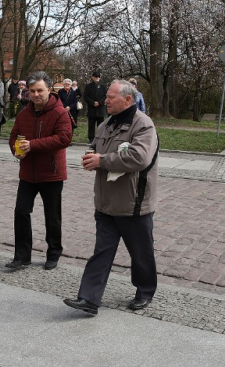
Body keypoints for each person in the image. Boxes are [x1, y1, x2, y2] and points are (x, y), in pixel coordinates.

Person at [64, 79, 159, 315]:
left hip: (133, 204)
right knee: (102, 252)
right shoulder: (105, 125)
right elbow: (96, 149)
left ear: (128, 99)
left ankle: (145, 291)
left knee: (140, 253)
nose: (105, 100)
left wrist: (102, 160)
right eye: (106, 96)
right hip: (106, 203)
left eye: (111, 97)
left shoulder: (143, 125)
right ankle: (88, 299)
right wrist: (91, 158)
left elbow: (140, 158)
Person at [6, 71, 72, 270]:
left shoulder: (60, 112)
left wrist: (33, 145)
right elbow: (14, 136)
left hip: (51, 172)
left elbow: (64, 138)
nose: (36, 94)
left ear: (49, 90)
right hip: (28, 173)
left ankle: (53, 253)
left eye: (40, 90)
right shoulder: (24, 113)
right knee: (21, 211)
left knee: (52, 216)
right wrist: (15, 151)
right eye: (32, 91)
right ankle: (22, 256)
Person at [84, 71, 106, 143]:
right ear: (92, 77)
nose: (97, 78)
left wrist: (99, 102)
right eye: (96, 77)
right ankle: (91, 139)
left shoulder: (103, 86)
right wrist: (93, 102)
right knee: (91, 125)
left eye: (98, 77)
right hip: (92, 108)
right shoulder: (88, 86)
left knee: (100, 125)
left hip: (100, 109)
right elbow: (86, 96)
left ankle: (100, 138)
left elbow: (105, 96)